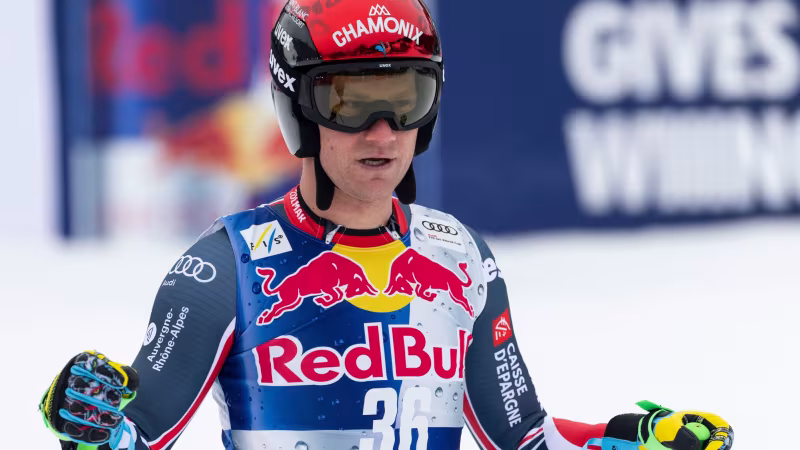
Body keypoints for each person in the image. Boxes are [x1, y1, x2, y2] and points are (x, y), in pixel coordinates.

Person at [39, 1, 734, 449]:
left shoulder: (461, 255)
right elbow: (135, 434)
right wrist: (86, 422)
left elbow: (524, 437)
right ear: (298, 111)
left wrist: (635, 434)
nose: (383, 132)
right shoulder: (226, 266)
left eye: (405, 98)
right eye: (349, 102)